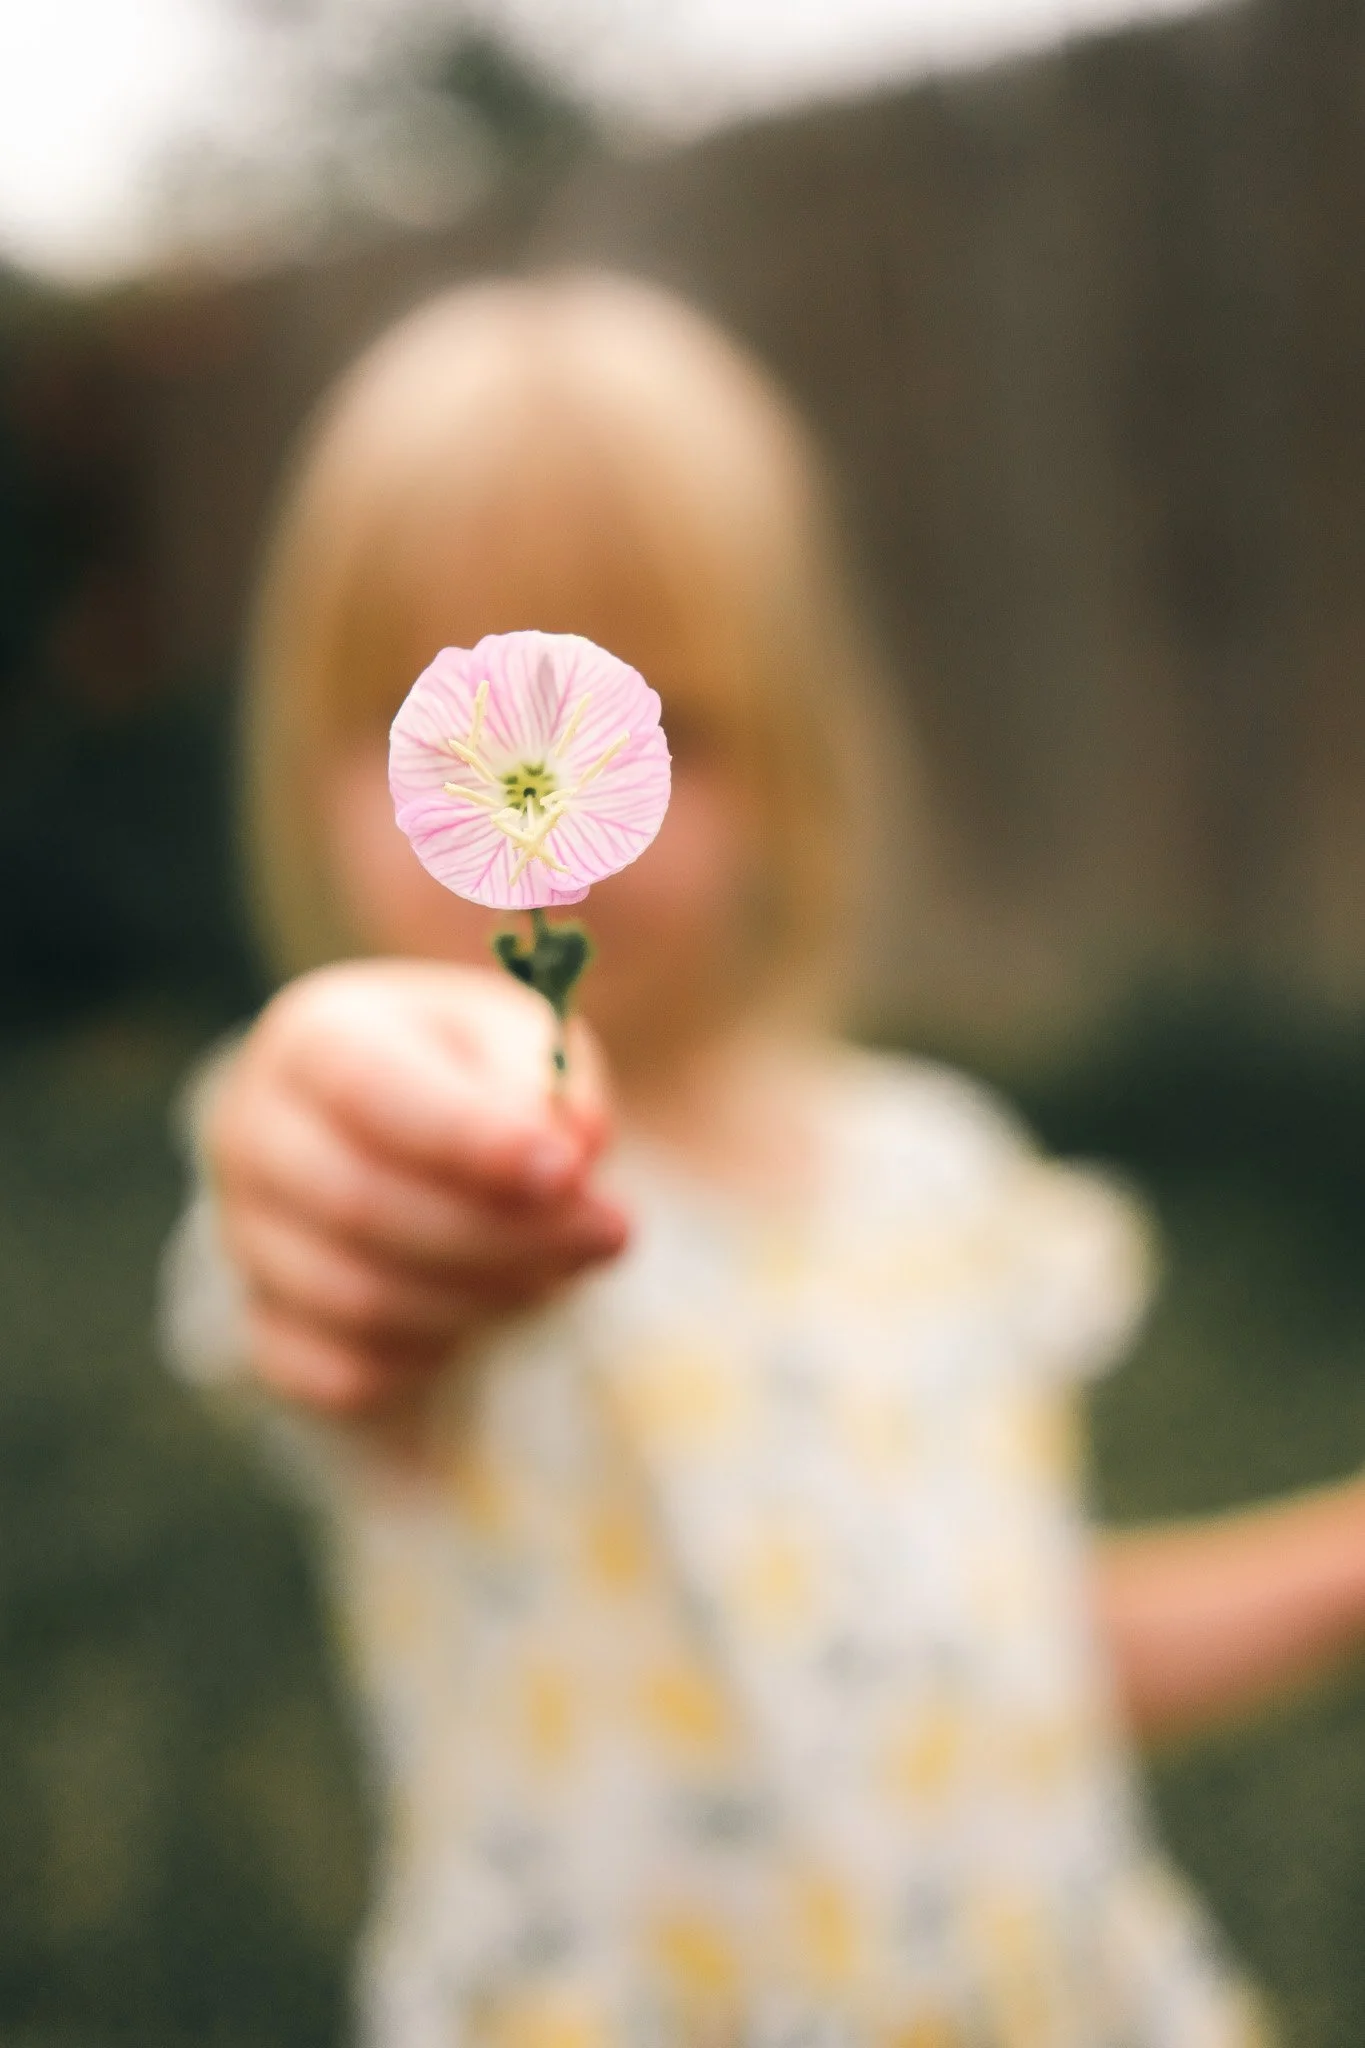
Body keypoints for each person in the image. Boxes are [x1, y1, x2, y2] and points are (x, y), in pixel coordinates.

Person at [162, 274, 1365, 2048]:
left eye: (663, 728)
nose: (540, 807)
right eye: (449, 721)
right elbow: (322, 1232)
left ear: (794, 762)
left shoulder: (941, 1176)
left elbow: (1010, 1649)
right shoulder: (437, 1194)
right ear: (314, 762)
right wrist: (343, 1112)